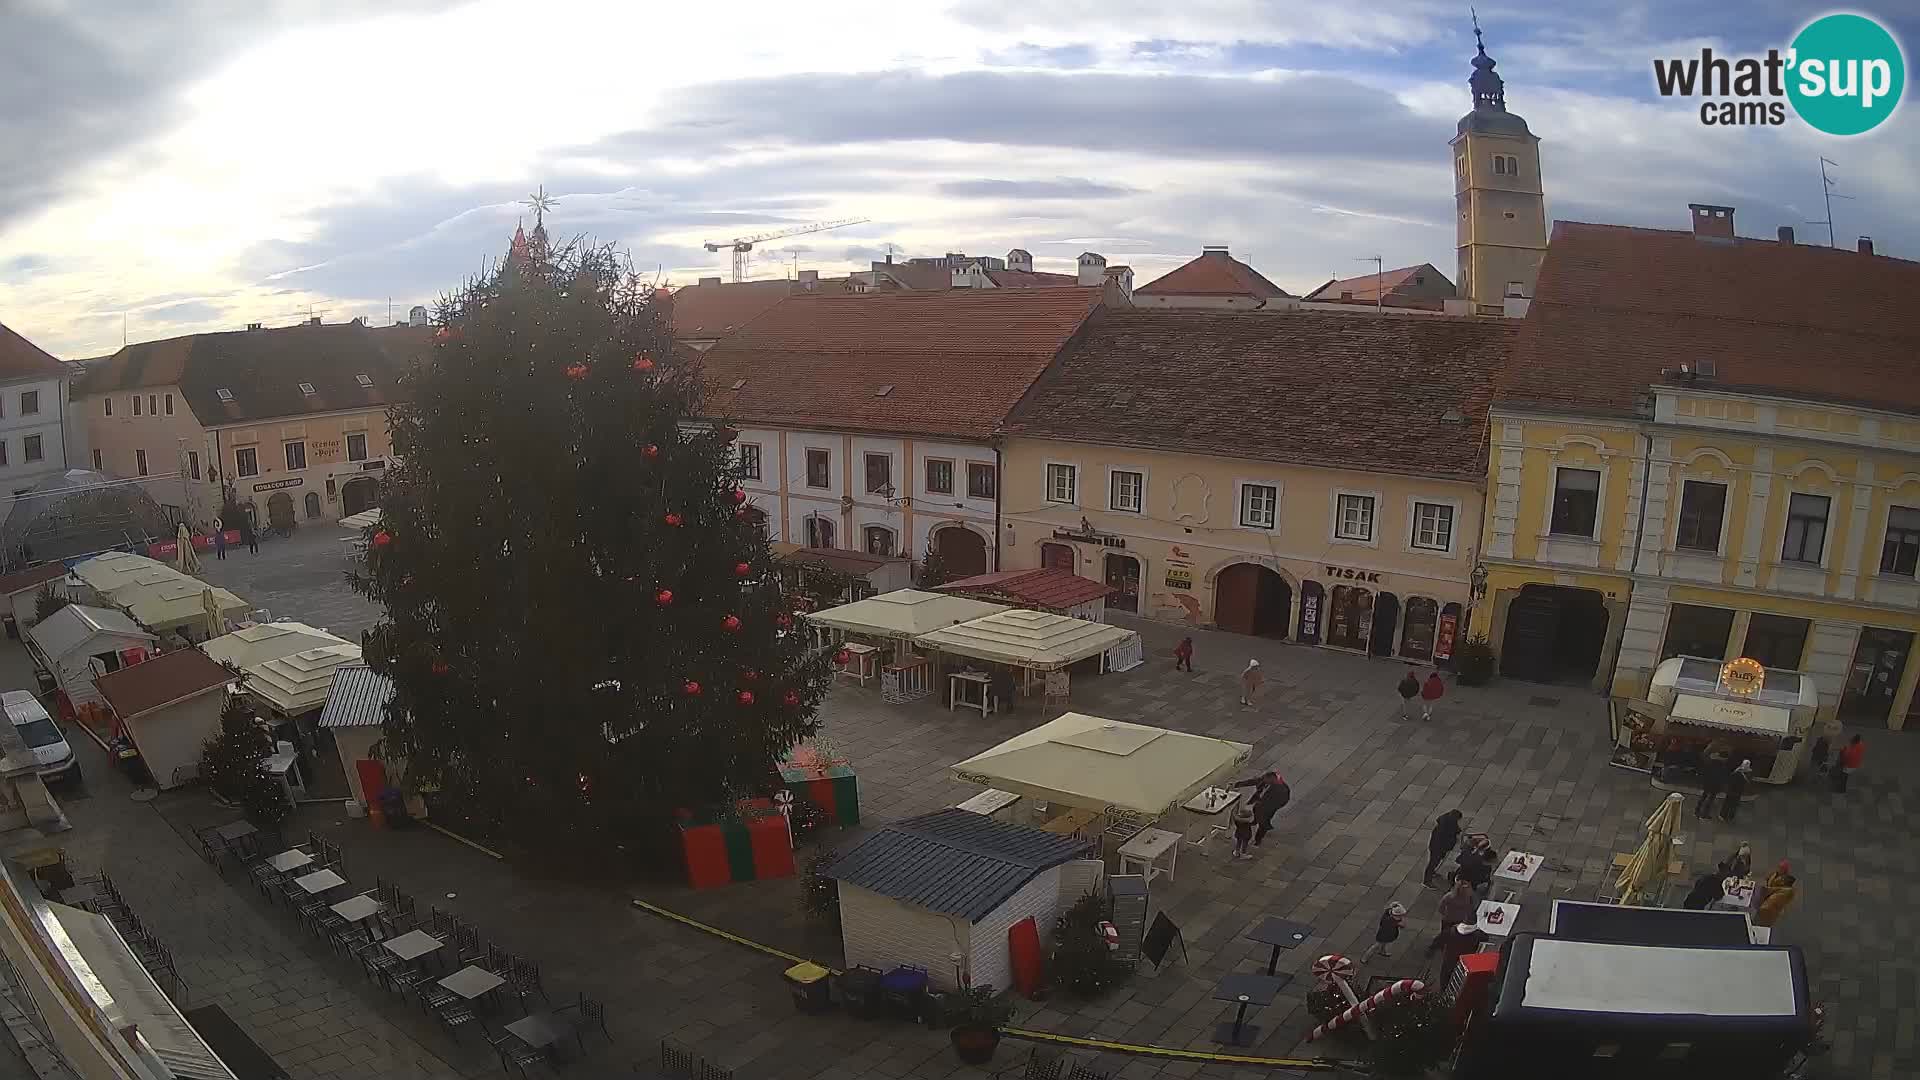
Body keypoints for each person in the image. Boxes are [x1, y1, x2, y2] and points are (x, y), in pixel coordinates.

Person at [1232, 770, 1290, 846]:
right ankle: (1255, 821)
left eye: (1266, 780)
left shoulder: (1281, 789)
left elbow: (1282, 801)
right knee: (1255, 814)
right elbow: (1253, 781)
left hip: (1270, 806)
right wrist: (1236, 784)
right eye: (1264, 779)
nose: (1264, 781)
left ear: (1272, 779)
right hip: (1259, 801)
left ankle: (1258, 840)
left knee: (1263, 822)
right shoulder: (1265, 779)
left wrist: (1267, 807)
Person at [1422, 809, 1465, 889]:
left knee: (1436, 861)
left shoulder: (1447, 821)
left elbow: (1454, 828)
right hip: (1437, 848)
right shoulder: (1444, 828)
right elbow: (1447, 838)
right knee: (1433, 862)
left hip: (1439, 847)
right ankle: (1426, 881)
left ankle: (1432, 873)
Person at [1695, 755, 1726, 819]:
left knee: (1704, 796)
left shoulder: (1709, 763)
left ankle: (1697, 810)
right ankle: (1705, 813)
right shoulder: (1722, 766)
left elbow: (1703, 773)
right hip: (1715, 785)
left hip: (1707, 783)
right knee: (1710, 800)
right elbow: (1722, 777)